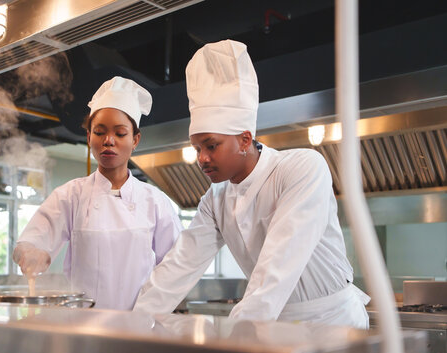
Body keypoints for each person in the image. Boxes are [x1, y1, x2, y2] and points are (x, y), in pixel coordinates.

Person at [133, 40, 370, 328]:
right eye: (197, 148)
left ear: (245, 139)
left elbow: (278, 265)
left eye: (211, 145)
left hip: (334, 323)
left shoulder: (301, 168)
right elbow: (180, 264)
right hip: (276, 327)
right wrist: (131, 324)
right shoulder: (215, 199)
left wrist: (241, 335)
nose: (202, 159)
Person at [13, 76, 183, 310]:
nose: (108, 141)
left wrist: (149, 310)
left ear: (135, 140)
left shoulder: (155, 202)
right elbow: (31, 241)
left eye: (120, 134)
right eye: (100, 132)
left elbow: (176, 267)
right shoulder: (70, 195)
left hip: (138, 324)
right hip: (83, 327)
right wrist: (29, 253)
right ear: (88, 137)